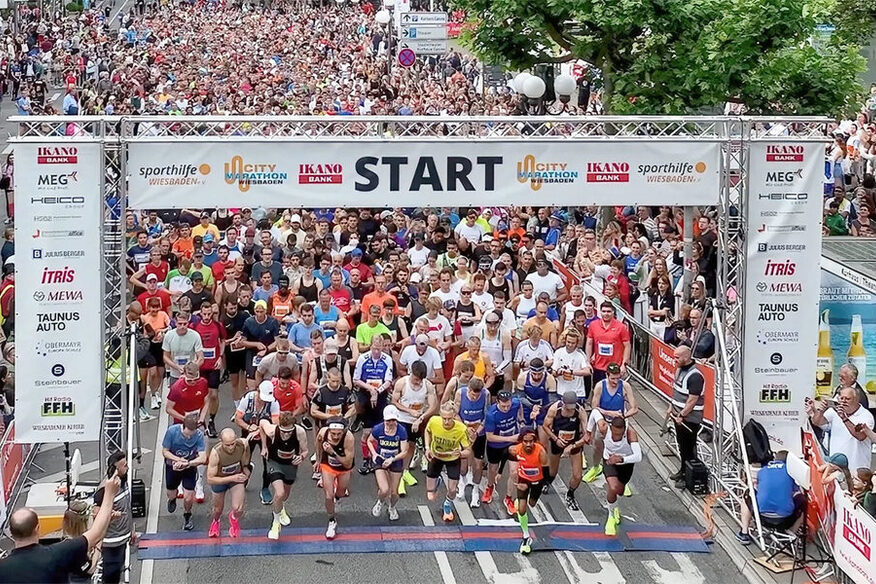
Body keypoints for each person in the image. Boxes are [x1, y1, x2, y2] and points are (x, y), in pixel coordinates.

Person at [0, 473, 121, 584]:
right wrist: (109, 494)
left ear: (11, 532)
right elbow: (97, 533)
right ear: (37, 528)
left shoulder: (3, 568)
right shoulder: (58, 553)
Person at [584, 362, 638, 485]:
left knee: (619, 449)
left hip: (619, 424)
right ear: (606, 375)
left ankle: (620, 479)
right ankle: (596, 467)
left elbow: (634, 408)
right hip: (604, 422)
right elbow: (594, 407)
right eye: (612, 378)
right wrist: (610, 413)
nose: (615, 381)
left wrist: (622, 416)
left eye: (618, 378)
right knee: (598, 447)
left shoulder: (625, 386)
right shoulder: (600, 386)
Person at [736, 451, 805, 545]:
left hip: (761, 516)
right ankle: (792, 533)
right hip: (785, 520)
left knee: (748, 493)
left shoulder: (762, 471)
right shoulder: (791, 473)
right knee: (804, 501)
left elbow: (760, 488)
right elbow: (795, 491)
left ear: (775, 459)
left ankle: (744, 532)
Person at [392, 360, 438, 495]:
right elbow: (394, 402)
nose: (418, 382)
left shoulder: (428, 385)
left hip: (417, 419)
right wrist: (409, 411)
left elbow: (432, 405)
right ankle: (398, 475)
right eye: (416, 379)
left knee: (411, 446)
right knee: (402, 447)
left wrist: (421, 418)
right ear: (411, 373)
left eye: (420, 380)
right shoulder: (402, 383)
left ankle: (405, 470)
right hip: (402, 419)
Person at [260, 411, 308, 540]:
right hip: (274, 462)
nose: (286, 434)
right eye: (283, 431)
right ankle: (275, 523)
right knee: (279, 493)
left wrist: (301, 457)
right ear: (279, 426)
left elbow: (305, 451)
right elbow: (261, 423)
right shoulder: (272, 431)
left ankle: (280, 508)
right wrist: (264, 447)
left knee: (284, 496)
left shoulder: (300, 432)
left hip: (290, 465)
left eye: (289, 431)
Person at [352, 336, 395, 474]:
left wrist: (377, 391)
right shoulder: (363, 358)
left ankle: (378, 457)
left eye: (379, 348)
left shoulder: (387, 359)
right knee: (366, 432)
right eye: (374, 348)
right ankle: (366, 459)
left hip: (380, 395)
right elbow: (356, 379)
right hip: (366, 394)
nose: (377, 351)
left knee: (380, 430)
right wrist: (370, 389)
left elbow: (389, 380)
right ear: (370, 346)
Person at [807, 387, 874, 473]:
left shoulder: (866, 416)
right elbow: (817, 422)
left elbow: (861, 436)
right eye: (841, 398)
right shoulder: (834, 411)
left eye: (847, 399)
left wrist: (844, 418)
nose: (843, 401)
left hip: (857, 468)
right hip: (835, 466)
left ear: (857, 400)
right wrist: (821, 411)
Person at [424, 401, 472, 522]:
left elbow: (468, 451)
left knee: (452, 490)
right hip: (436, 457)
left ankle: (447, 504)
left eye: (449, 419)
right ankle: (437, 482)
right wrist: (427, 448)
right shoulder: (434, 421)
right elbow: (427, 431)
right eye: (444, 418)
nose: (446, 422)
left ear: (454, 416)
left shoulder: (461, 429)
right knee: (430, 496)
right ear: (440, 415)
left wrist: (460, 453)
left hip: (452, 459)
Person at [235, 380, 281, 505]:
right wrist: (250, 428)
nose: (264, 401)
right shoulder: (247, 399)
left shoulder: (273, 403)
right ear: (258, 391)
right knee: (243, 459)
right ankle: (247, 468)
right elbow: (237, 418)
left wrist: (261, 429)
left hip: (265, 434)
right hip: (248, 432)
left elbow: (275, 423)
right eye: (262, 398)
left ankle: (265, 488)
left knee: (268, 461)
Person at [484, 390, 529, 515]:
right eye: (503, 406)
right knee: (493, 469)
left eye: (508, 405)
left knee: (515, 472)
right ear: (497, 402)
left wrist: (521, 420)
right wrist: (510, 438)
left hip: (512, 443)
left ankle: (509, 498)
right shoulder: (491, 414)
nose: (506, 408)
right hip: (496, 445)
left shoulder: (515, 403)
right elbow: (489, 437)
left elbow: (519, 406)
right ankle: (490, 486)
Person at [92, 452, 133, 584]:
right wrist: (110, 516)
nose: (127, 468)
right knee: (110, 577)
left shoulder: (123, 482)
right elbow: (96, 516)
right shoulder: (104, 491)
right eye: (124, 465)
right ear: (115, 469)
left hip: (122, 539)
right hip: (111, 542)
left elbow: (126, 507)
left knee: (116, 574)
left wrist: (130, 530)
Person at [543, 391, 588, 510]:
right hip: (557, 441)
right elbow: (545, 426)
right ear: (563, 404)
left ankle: (570, 494)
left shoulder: (580, 411)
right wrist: (555, 439)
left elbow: (587, 436)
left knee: (578, 475)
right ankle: (548, 481)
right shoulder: (554, 409)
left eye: (572, 408)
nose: (570, 411)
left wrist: (572, 446)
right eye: (568, 408)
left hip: (574, 443)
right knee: (552, 471)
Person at [668, 345, 706, 489]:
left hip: (689, 419)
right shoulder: (681, 370)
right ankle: (683, 470)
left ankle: (688, 477)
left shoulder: (695, 375)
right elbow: (677, 391)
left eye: (677, 357)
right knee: (682, 446)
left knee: (689, 448)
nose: (674, 359)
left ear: (686, 357)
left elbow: (692, 400)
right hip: (679, 416)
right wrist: (672, 407)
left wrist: (681, 415)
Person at [162, 413, 208, 531]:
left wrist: (187, 463)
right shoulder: (172, 432)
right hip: (172, 466)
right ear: (182, 427)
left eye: (192, 434)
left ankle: (187, 515)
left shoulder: (198, 435)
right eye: (187, 434)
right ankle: (172, 499)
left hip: (189, 468)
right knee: (171, 493)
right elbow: (165, 451)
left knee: (188, 497)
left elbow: (203, 458)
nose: (189, 437)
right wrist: (178, 460)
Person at [601, 416, 642, 536]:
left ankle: (615, 506)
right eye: (614, 434)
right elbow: (594, 414)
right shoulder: (604, 428)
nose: (616, 437)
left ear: (624, 430)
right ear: (610, 428)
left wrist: (621, 459)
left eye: (619, 434)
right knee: (613, 488)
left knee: (620, 491)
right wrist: (587, 432)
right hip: (609, 461)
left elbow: (638, 456)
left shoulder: (631, 433)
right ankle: (611, 515)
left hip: (626, 464)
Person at [206, 428, 251, 538]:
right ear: (221, 441)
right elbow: (210, 479)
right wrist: (232, 477)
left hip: (236, 478)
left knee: (238, 508)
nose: (231, 447)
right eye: (227, 445)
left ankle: (234, 518)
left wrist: (245, 466)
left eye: (233, 444)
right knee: (217, 509)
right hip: (220, 480)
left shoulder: (243, 444)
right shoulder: (216, 453)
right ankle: (216, 521)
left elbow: (246, 454)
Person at [510, 428, 549, 555]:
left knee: (532, 503)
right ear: (521, 441)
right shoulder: (516, 449)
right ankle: (526, 536)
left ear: (534, 441)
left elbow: (546, 470)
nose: (528, 444)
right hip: (523, 480)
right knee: (522, 509)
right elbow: (506, 456)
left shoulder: (540, 451)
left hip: (537, 481)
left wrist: (545, 484)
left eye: (531, 441)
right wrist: (501, 473)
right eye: (525, 441)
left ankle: (524, 501)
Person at [316, 418, 356, 539]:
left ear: (343, 431)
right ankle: (332, 520)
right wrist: (318, 460)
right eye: (333, 433)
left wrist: (332, 452)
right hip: (327, 466)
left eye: (339, 434)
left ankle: (336, 495)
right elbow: (318, 443)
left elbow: (347, 464)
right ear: (329, 430)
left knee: (341, 492)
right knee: (329, 496)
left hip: (343, 467)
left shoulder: (349, 438)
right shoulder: (323, 433)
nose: (336, 436)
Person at [368, 405, 409, 521]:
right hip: (381, 460)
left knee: (394, 492)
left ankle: (392, 507)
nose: (391, 423)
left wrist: (392, 459)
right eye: (388, 420)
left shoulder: (401, 431)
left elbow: (404, 451)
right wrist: (374, 454)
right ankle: (380, 502)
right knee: (384, 489)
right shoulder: (378, 429)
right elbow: (369, 441)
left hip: (395, 461)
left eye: (393, 420)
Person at [585, 301, 631, 384]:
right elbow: (589, 343)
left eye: (609, 311)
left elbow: (627, 346)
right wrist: (587, 362)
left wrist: (624, 364)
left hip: (615, 367)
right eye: (604, 311)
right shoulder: (593, 325)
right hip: (598, 367)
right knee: (598, 392)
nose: (606, 314)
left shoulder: (621, 327)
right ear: (600, 312)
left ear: (613, 312)